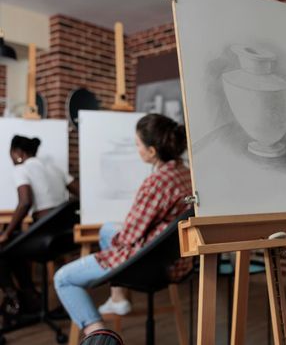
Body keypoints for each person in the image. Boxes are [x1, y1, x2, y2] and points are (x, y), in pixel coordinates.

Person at [54, 113, 193, 337]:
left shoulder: (157, 182)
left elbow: (128, 237)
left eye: (138, 143)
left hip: (151, 264)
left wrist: (116, 244)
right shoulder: (184, 172)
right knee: (107, 228)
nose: (136, 148)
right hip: (176, 259)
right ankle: (118, 298)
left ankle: (98, 335)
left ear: (152, 151)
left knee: (63, 279)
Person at [0, 135, 78, 324]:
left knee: (4, 246)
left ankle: (15, 298)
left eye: (11, 155)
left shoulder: (21, 169)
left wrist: (6, 233)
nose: (11, 160)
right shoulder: (55, 168)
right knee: (13, 247)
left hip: (43, 237)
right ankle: (30, 296)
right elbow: (79, 193)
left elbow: (25, 202)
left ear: (18, 153)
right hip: (65, 236)